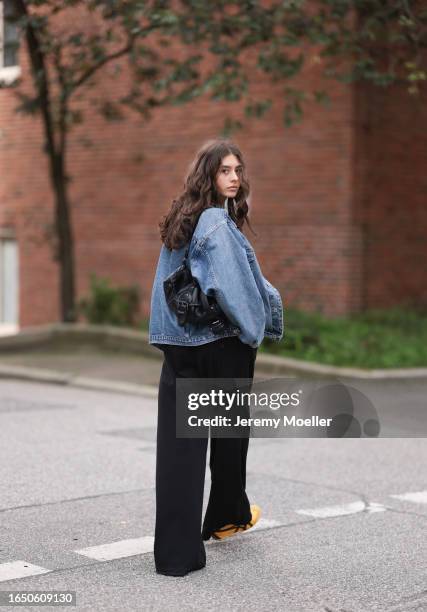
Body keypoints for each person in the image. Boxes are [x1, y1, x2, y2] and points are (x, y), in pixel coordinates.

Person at [148, 138, 284, 577]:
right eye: (225, 170)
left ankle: (176, 555)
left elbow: (163, 289)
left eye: (237, 170)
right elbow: (234, 288)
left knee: (178, 454)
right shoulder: (214, 223)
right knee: (229, 439)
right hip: (219, 346)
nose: (234, 178)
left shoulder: (181, 218)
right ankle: (227, 515)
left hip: (180, 348)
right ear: (208, 175)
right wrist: (253, 331)